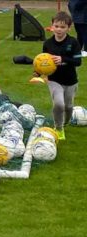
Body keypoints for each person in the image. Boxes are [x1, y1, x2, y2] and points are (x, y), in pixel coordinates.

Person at [41, 11, 81, 140]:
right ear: (52, 26)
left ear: (69, 28)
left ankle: (66, 122)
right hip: (54, 80)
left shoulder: (73, 42)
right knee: (59, 104)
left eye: (62, 27)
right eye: (56, 26)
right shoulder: (47, 43)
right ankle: (59, 129)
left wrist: (63, 59)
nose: (59, 29)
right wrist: (40, 73)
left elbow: (78, 61)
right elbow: (42, 61)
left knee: (68, 107)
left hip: (70, 81)